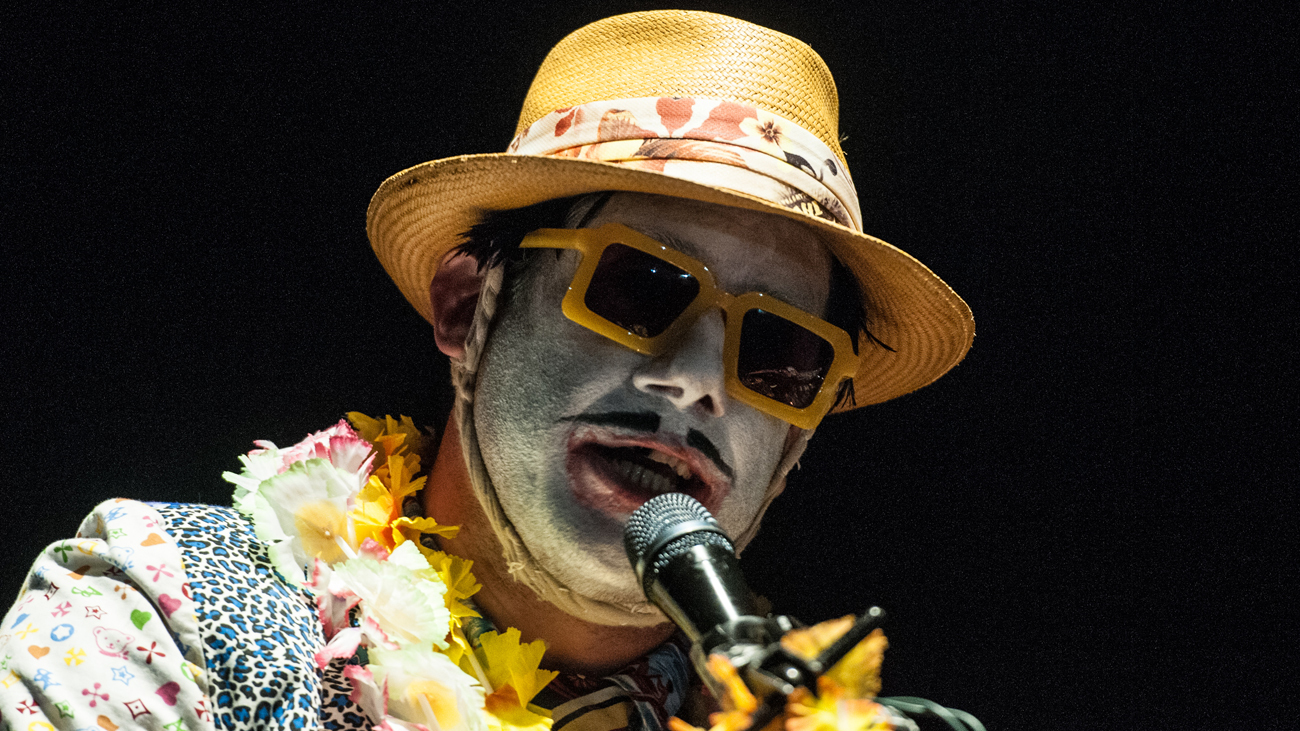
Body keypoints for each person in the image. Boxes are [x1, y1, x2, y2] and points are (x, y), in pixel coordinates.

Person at [0, 10, 973, 731]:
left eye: (779, 353)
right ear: (466, 306)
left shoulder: (823, 717)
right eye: (640, 288)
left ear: (799, 434)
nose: (698, 383)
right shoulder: (164, 603)